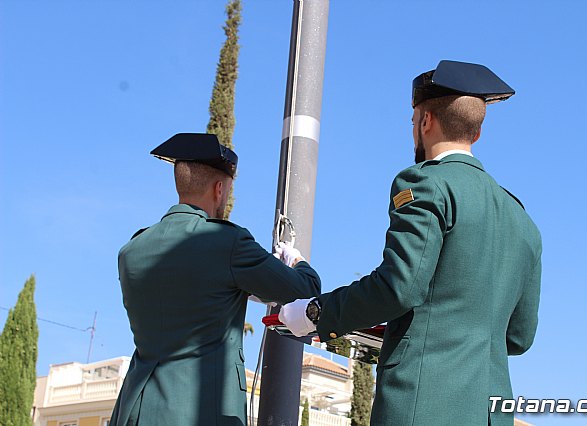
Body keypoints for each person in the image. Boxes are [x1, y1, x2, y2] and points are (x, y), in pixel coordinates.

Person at [279, 61, 542, 426]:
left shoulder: (424, 183)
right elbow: (519, 336)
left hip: (422, 405)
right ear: (476, 134)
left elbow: (398, 287)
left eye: (413, 120)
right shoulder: (523, 221)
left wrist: (314, 314)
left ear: (426, 121)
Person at [111, 133, 321, 426]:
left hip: (136, 410)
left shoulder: (132, 250)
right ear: (219, 189)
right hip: (202, 411)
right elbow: (306, 290)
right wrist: (295, 260)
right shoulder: (228, 243)